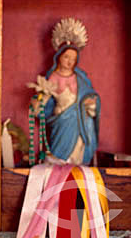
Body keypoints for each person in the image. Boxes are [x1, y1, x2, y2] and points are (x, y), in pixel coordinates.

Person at [29, 19, 100, 165]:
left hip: (79, 120)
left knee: (78, 151)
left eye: (73, 59)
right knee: (58, 155)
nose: (69, 62)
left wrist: (90, 102)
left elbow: (91, 96)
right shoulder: (52, 77)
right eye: (67, 57)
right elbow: (45, 100)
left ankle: (77, 162)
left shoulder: (80, 77)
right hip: (61, 119)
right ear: (59, 57)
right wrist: (38, 103)